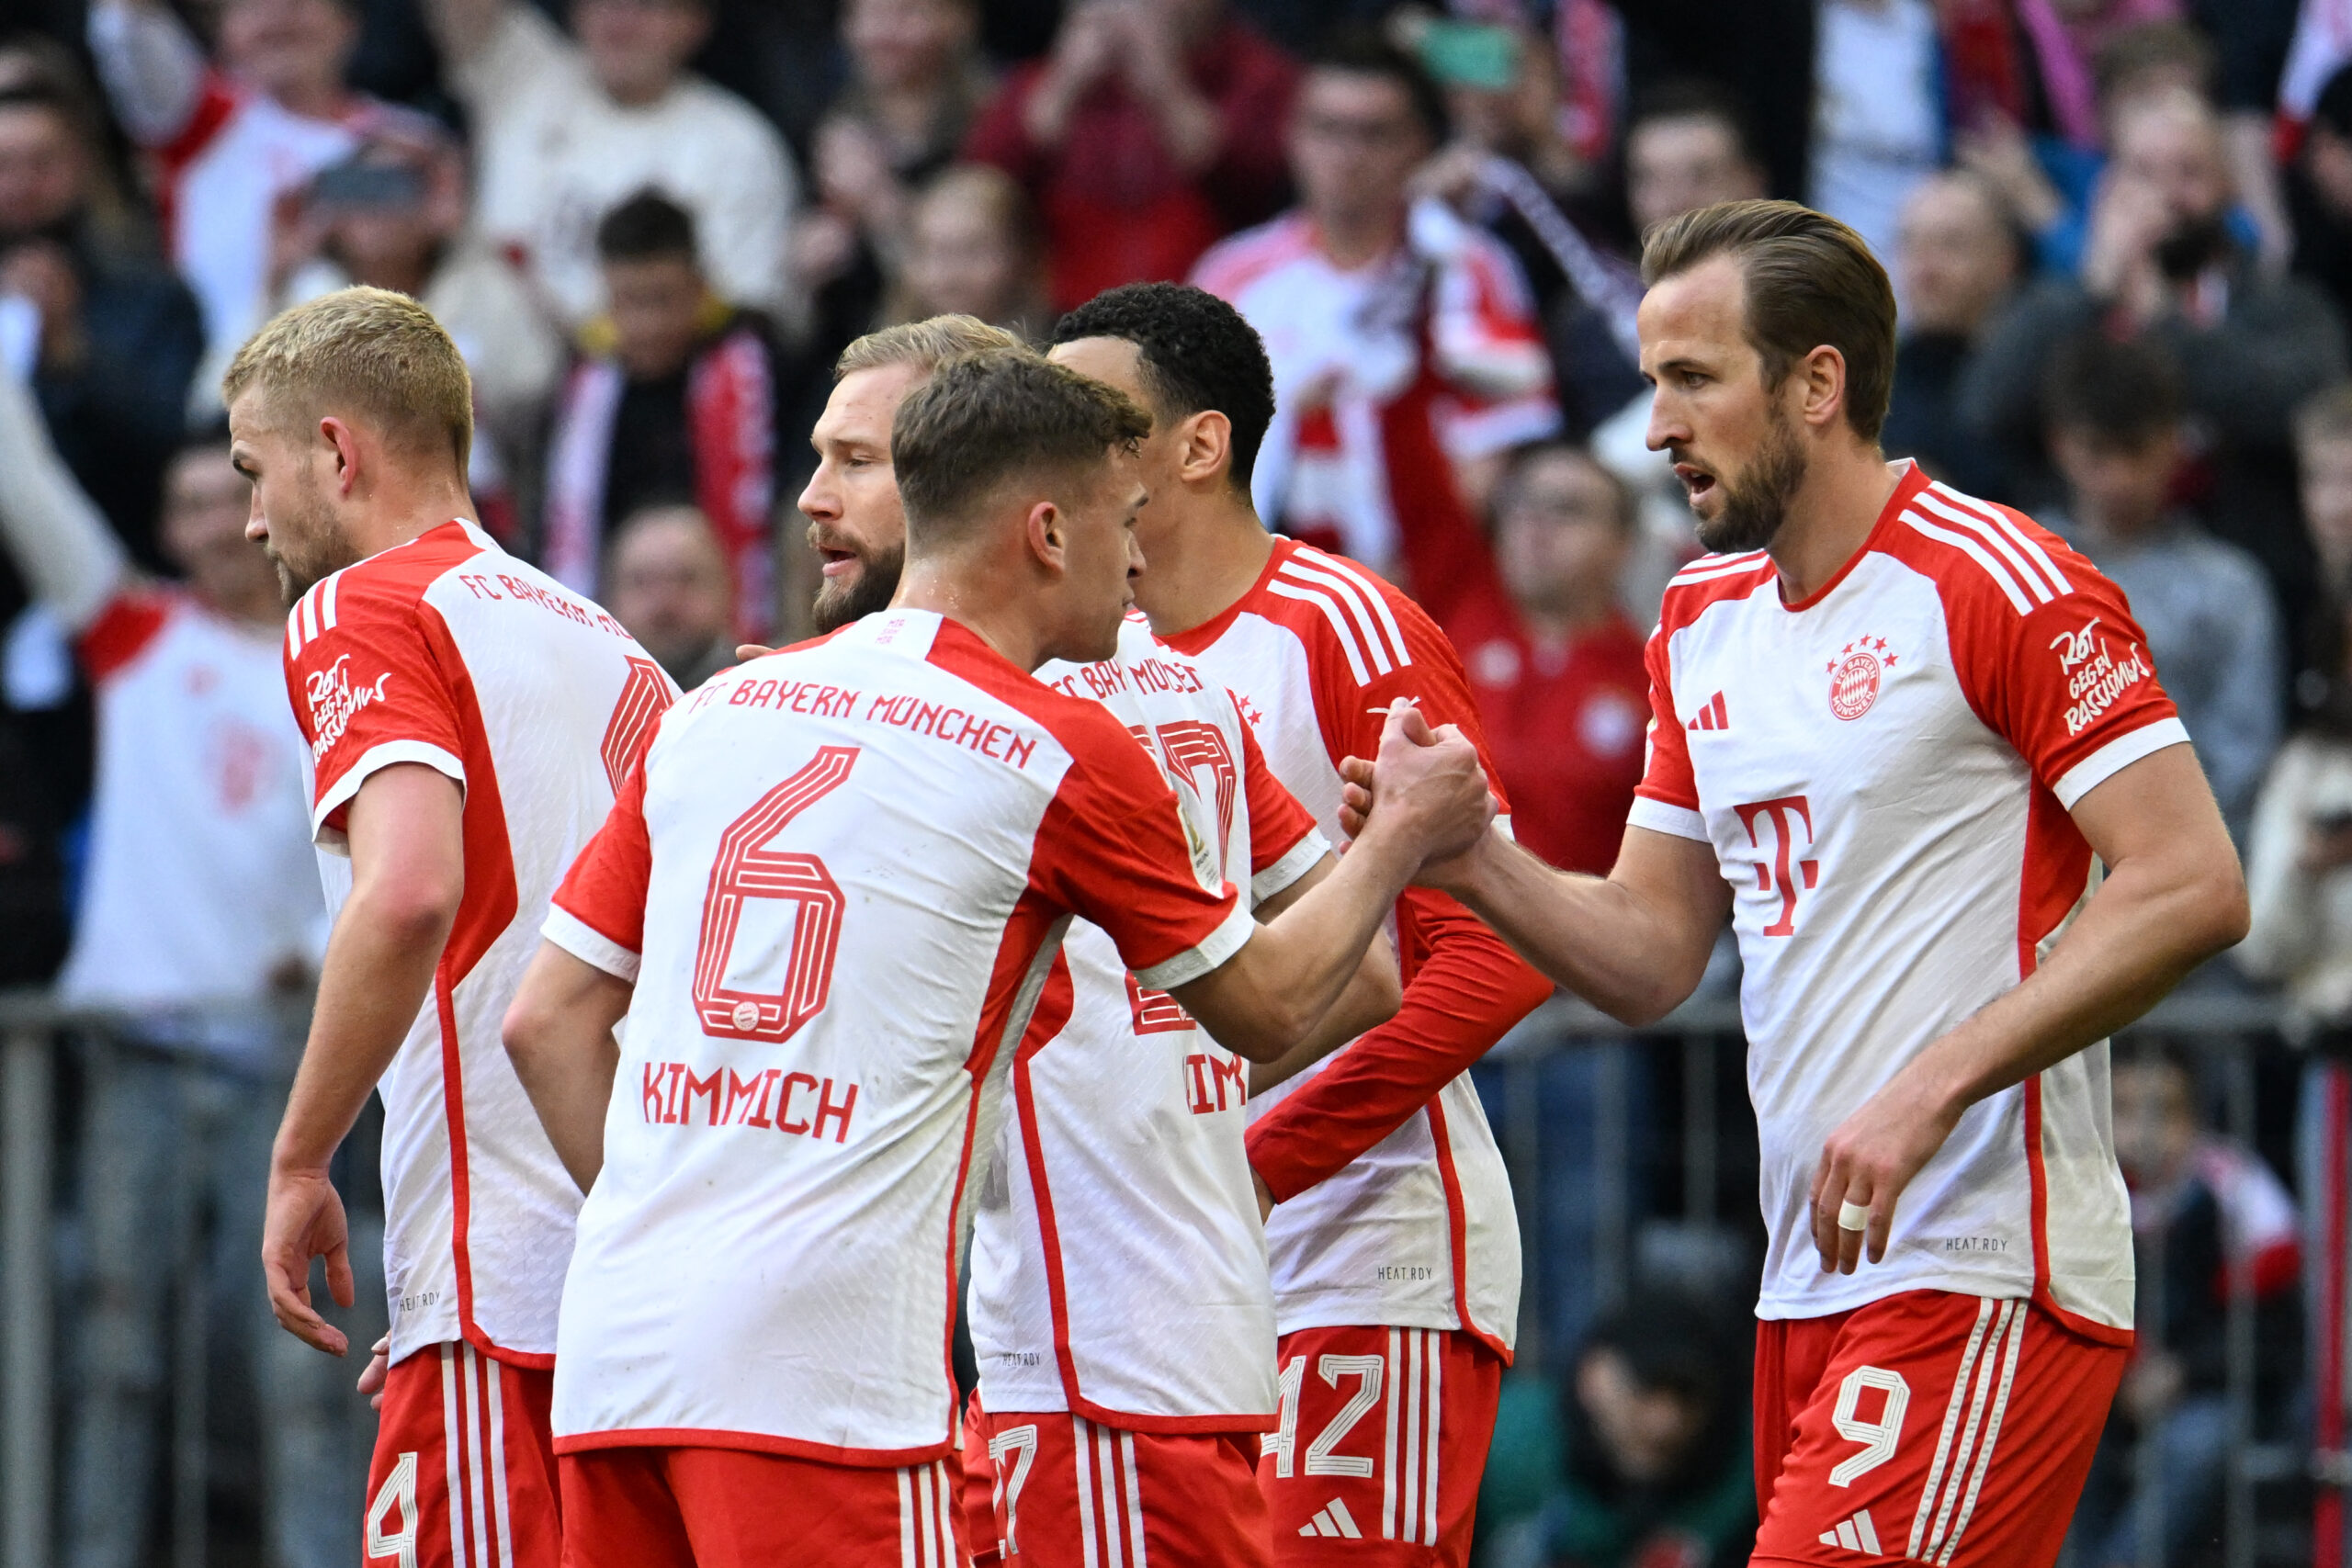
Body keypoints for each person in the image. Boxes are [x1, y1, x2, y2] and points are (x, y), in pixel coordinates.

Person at [1339, 199, 2248, 1568]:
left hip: (1979, 1259)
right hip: (1806, 1278)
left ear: (1817, 382)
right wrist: (1470, 855)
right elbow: (1651, 953)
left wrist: (1931, 1084)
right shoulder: (1701, 623)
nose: (1657, 428)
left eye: (1693, 378)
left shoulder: (1998, 579)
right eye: (1652, 381)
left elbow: (2189, 879)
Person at [497, 347, 1493, 1565]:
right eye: (1122, 526)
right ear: (1046, 530)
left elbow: (543, 1021)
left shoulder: (718, 706)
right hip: (838, 1381)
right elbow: (1278, 1005)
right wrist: (1400, 834)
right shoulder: (1053, 739)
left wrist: (683, 1228)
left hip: (619, 1353)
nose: (1137, 565)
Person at [1046, 280, 1555, 1564]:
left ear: (1198, 446)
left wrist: (1253, 1156)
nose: (1052, 450)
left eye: (1094, 420)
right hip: (1166, 1260)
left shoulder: (1344, 623)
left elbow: (1494, 953)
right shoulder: (1072, 655)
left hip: (1362, 1245)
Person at [230, 287, 677, 1568]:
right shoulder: (611, 642)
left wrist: (302, 1154)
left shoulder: (362, 603)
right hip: (640, 1290)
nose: (256, 517)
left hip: (510, 1293)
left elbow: (411, 886)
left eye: (259, 472)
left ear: (338, 450)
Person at [0, 372, 353, 1568]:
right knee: (116, 1354)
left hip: (286, 1071)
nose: (211, 521)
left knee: (301, 1363)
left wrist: (314, 952)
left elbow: (390, 844)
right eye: (187, 502)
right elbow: (26, 488)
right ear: (165, 528)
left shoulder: (342, 663)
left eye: (231, 494)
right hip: (141, 1057)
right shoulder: (140, 634)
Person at [1959, 86, 2346, 628]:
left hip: (2246, 593)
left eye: (2189, 173)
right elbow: (1985, 408)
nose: (2166, 196)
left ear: (2228, 188)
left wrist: (2164, 323)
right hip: (2072, 592)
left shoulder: (2286, 305)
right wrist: (2093, 289)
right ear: (2109, 186)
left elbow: (2302, 409)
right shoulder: (2060, 303)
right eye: (2144, 172)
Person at [1193, 28, 1556, 581]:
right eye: (1327, 129)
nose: (1347, 156)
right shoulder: (1232, 275)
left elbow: (1494, 454)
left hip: (1425, 578)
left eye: (1374, 134)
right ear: (1292, 137)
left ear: (1419, 146)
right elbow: (1188, 452)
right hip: (1255, 577)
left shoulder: (1467, 267)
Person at [85, 0, 410, 401]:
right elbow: (127, 29)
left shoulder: (409, 141)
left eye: (300, 3)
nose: (276, 16)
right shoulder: (199, 120)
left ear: (349, 22)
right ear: (220, 32)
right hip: (230, 397)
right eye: (251, 5)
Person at [270, 121, 565, 545]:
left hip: (483, 525)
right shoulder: (303, 298)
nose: (378, 207)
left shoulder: (476, 280)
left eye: (397, 188)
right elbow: (224, 409)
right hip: (343, 530)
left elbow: (533, 386)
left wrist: (470, 240)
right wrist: (274, 282)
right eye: (361, 189)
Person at [421, 0, 797, 330]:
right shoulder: (526, 75)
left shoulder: (738, 145)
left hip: (623, 388)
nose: (620, 18)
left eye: (648, 4)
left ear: (695, 23)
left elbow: (734, 313)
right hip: (452, 365)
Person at [2039, 330, 2281, 839]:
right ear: (2060, 443)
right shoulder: (2017, 567)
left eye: (2137, 450)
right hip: (2036, 856)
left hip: (2183, 853)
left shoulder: (2230, 586)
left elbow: (2243, 759)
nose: (2120, 477)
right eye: (2098, 452)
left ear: (2175, 443)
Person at [2068, 1045, 2302, 1568]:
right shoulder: (2082, 1187)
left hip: (2216, 1387)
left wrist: (2183, 1371)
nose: (2143, 1132)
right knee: (2061, 1425)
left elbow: (2271, 1326)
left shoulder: (2235, 1188)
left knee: (2198, 1443)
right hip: (2111, 1384)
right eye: (2124, 1110)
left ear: (2194, 1118)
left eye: (2163, 1111)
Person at [540, 192, 791, 644]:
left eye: (662, 300)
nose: (646, 325)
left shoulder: (763, 367)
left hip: (735, 624)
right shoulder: (583, 383)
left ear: (700, 286)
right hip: (615, 625)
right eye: (628, 303)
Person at [1395, 438, 1650, 876]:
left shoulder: (1654, 679)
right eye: (1522, 502)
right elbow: (1411, 469)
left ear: (1622, 544)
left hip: (1572, 936)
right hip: (1438, 932)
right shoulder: (1453, 600)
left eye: (1568, 509)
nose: (1537, 522)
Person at [0, 51, 205, 561]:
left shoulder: (154, 299)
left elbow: (174, 450)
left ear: (81, 163)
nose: (22, 184)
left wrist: (72, 358)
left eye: (41, 163)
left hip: (120, 564)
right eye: (4, 165)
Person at [964, 0, 1298, 312]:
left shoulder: (1257, 72)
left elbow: (1255, 182)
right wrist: (1065, 84)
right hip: (1061, 316)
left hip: (1209, 313)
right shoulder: (1047, 78)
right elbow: (982, 185)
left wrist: (1163, 80)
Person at [1481, 1292, 1758, 1568]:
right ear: (1592, 1376)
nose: (1665, 1424)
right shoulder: (1501, 1442)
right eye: (1644, 1389)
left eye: (1689, 1397)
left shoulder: (1748, 1471)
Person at [793, 0, 995, 363]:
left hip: (958, 358)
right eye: (865, 14)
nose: (879, 33)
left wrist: (879, 203)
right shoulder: (834, 122)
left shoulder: (989, 128)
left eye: (907, 12)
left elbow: (977, 293)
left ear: (960, 20)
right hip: (848, 358)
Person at [1881, 171, 2020, 501]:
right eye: (1911, 245)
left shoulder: (2035, 381)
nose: (1925, 270)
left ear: (2005, 262)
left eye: (1950, 246)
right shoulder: (1864, 385)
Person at [885, 164, 1051, 339]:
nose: (951, 273)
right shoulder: (880, 354)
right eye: (934, 251)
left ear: (1020, 254)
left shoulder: (1064, 350)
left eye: (973, 250)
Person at [601, 502, 735, 691]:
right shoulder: (578, 697)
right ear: (610, 596)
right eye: (642, 581)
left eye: (685, 579)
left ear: (725, 589)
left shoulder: (764, 696)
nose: (664, 602)